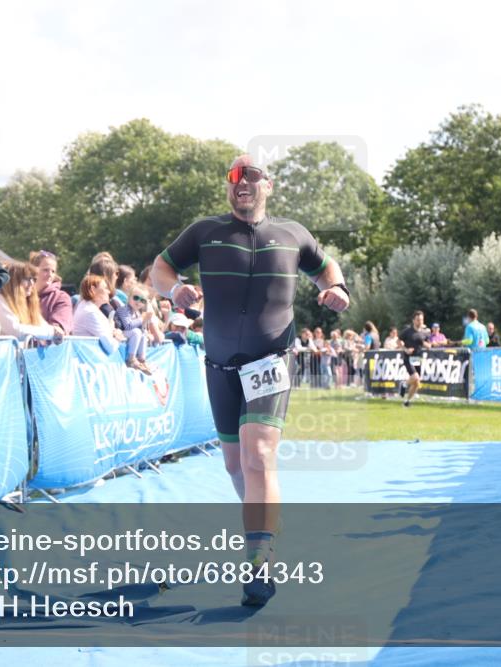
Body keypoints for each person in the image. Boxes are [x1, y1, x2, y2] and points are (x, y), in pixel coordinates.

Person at [150, 154, 349, 607]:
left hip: (270, 362)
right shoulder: (205, 231)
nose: (242, 182)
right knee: (236, 466)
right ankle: (265, 526)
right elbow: (160, 268)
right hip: (219, 366)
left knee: (258, 455)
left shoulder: (293, 233)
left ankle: (260, 561)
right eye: (234, 176)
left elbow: (327, 267)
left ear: (268, 185)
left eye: (251, 175)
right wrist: (174, 289)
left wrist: (335, 288)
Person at [0, 261, 57, 342]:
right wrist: (51, 333)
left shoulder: (26, 303)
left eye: (33, 279)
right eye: (27, 279)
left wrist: (55, 331)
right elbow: (15, 331)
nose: (32, 283)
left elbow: (42, 325)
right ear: (13, 281)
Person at [73, 273, 122, 354]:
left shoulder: (88, 308)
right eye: (105, 288)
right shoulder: (90, 312)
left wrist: (112, 331)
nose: (109, 292)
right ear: (93, 289)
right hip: (90, 359)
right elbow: (111, 347)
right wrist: (117, 338)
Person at [113, 284, 154, 373]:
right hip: (120, 333)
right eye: (136, 298)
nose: (138, 302)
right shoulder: (123, 309)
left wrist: (145, 325)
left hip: (127, 334)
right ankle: (131, 359)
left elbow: (141, 328)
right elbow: (128, 326)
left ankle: (141, 359)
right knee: (136, 332)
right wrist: (142, 319)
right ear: (129, 297)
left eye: (142, 300)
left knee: (143, 333)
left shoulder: (137, 313)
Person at [30, 250, 72, 335]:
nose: (50, 275)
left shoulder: (61, 298)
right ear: (33, 271)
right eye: (45, 270)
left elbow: (58, 331)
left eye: (53, 271)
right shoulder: (23, 295)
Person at [399, 310, 431, 407]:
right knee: (415, 377)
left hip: (418, 358)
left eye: (421, 320)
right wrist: (405, 349)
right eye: (418, 320)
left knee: (417, 383)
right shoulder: (407, 331)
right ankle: (404, 384)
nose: (420, 322)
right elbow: (399, 341)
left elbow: (428, 344)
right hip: (408, 357)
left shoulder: (425, 332)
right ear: (413, 320)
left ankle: (407, 401)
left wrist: (426, 345)